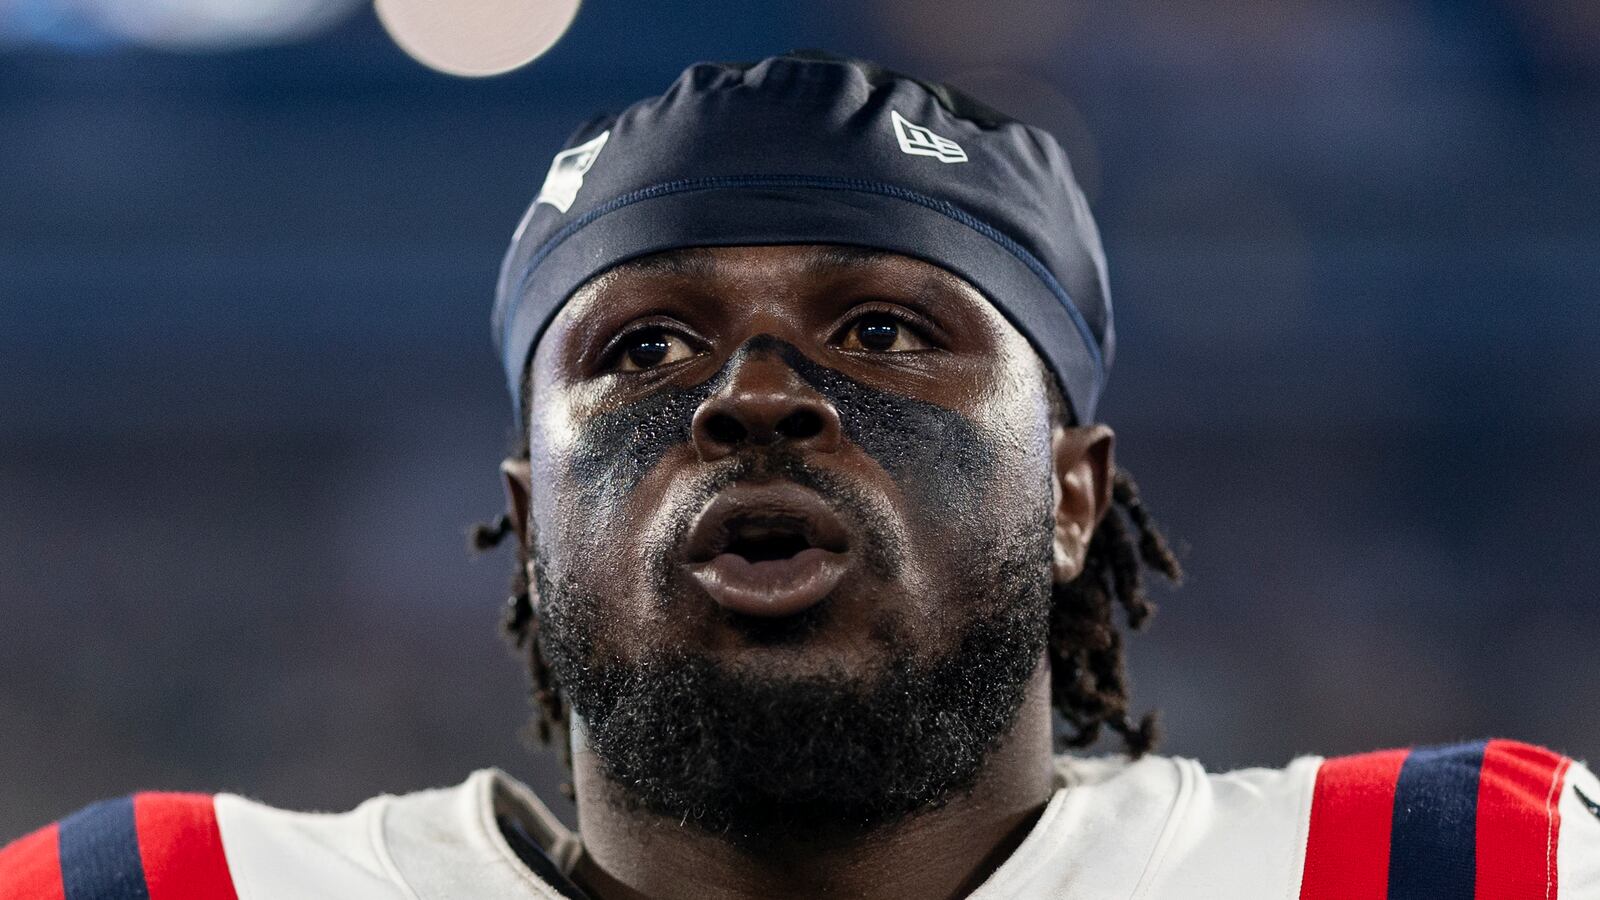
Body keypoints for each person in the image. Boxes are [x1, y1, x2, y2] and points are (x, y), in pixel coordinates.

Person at [3, 51, 1596, 900]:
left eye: (884, 330)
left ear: (1071, 497)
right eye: (643, 349)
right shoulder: (164, 891)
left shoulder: (1467, 868)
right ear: (529, 517)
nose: (754, 397)